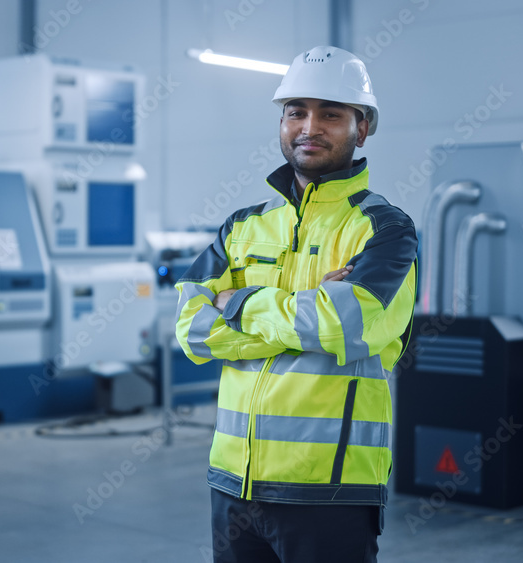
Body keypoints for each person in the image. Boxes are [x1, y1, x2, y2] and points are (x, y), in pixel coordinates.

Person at [175, 46, 418, 562]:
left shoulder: (385, 230)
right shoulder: (243, 225)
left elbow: (341, 325)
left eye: (330, 113)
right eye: (296, 111)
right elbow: (193, 331)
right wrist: (299, 312)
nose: (310, 126)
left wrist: (237, 299)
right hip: (232, 482)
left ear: (362, 126)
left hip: (329, 486)